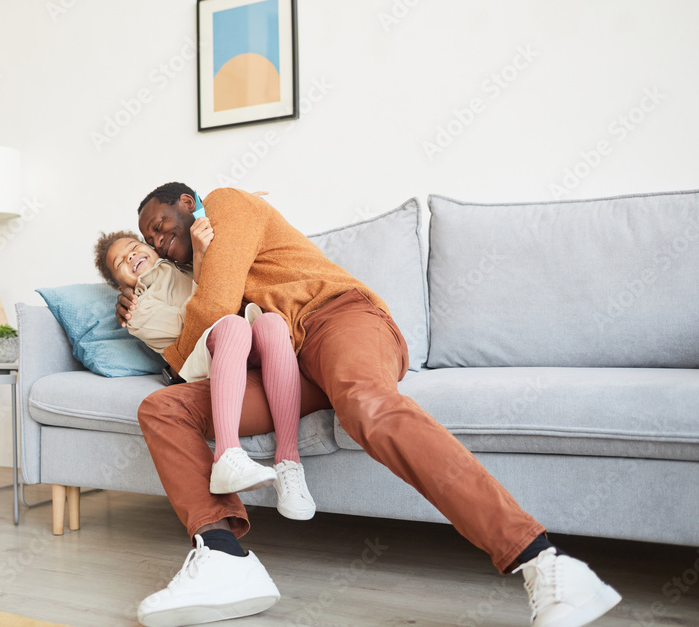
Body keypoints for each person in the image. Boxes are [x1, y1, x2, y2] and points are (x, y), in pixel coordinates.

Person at [118, 182, 622, 627]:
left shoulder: (225, 203)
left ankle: (545, 561)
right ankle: (224, 557)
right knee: (164, 408)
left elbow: (214, 311)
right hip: (289, 365)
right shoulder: (189, 274)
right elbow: (193, 360)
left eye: (161, 225)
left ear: (189, 203)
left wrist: (200, 299)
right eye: (152, 239)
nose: (160, 241)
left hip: (338, 317)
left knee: (364, 404)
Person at [93, 224, 316, 520]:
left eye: (134, 248)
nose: (131, 257)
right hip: (202, 353)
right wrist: (200, 261)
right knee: (232, 325)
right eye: (120, 262)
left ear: (151, 248)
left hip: (245, 338)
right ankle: (227, 456)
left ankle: (289, 464)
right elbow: (197, 321)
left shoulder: (181, 264)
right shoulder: (137, 312)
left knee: (272, 323)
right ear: (118, 282)